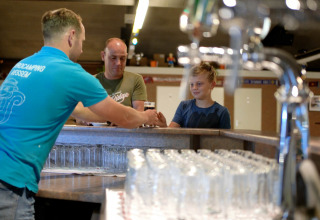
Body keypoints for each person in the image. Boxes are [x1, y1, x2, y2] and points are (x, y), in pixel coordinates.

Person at [0, 8, 157, 220]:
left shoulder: (22, 65)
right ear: (71, 36)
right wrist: (146, 116)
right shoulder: (71, 72)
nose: (82, 49)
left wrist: (108, 114)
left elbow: (81, 110)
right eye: (83, 40)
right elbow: (126, 119)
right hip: (11, 182)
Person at [157, 62, 231, 129]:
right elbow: (172, 134)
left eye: (199, 84)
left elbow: (225, 141)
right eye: (191, 84)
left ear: (212, 85)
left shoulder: (222, 112)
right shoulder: (184, 106)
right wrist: (163, 126)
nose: (194, 88)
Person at [95, 38, 147, 111]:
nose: (118, 63)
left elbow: (139, 114)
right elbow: (80, 115)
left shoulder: (135, 80)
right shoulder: (91, 82)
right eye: (113, 58)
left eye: (122, 58)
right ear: (103, 56)